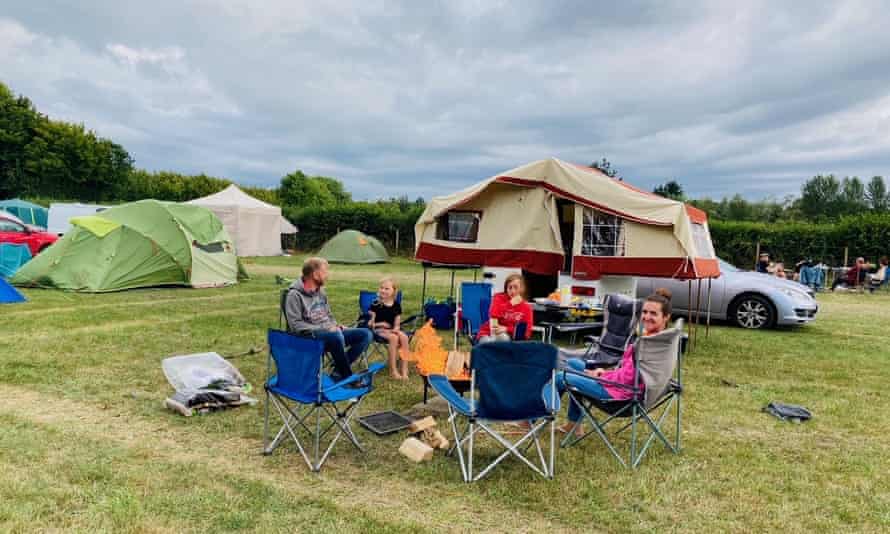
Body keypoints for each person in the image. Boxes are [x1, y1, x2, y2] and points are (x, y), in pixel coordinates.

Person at [556, 288, 673, 437]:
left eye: (653, 313)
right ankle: (574, 425)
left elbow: (627, 379)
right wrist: (605, 373)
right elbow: (629, 371)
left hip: (622, 396)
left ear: (666, 317)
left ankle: (531, 420)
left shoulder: (648, 345)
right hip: (626, 388)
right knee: (573, 364)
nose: (646, 317)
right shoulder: (659, 339)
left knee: (561, 376)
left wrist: (599, 377)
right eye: (644, 312)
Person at [284, 257, 372, 382]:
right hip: (308, 337)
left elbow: (328, 315)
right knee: (336, 336)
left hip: (331, 333)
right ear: (315, 274)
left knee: (365, 334)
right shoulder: (294, 295)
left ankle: (337, 370)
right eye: (325, 272)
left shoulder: (321, 292)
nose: (327, 276)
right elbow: (295, 325)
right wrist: (326, 329)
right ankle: (347, 376)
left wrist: (336, 325)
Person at [369, 276, 411, 380]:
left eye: (387, 288)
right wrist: (381, 324)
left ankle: (404, 368)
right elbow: (370, 323)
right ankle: (393, 370)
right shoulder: (375, 304)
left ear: (394, 291)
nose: (383, 290)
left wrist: (396, 328)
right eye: (381, 288)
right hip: (378, 330)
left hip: (391, 330)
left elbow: (397, 322)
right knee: (394, 338)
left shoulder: (397, 305)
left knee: (404, 337)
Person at [476, 273, 534, 343]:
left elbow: (527, 332)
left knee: (503, 338)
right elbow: (494, 315)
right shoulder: (498, 298)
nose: (512, 291)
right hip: (488, 333)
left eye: (516, 287)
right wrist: (510, 304)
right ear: (506, 288)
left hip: (510, 338)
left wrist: (507, 329)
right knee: (487, 342)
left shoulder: (526, 308)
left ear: (522, 289)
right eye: (510, 287)